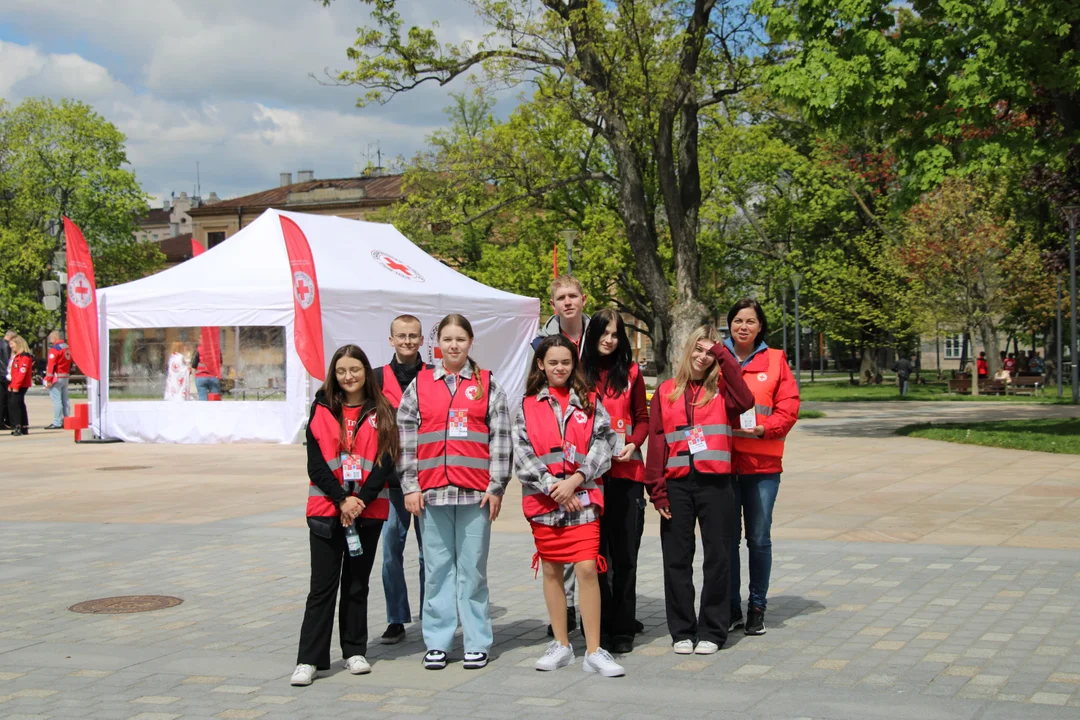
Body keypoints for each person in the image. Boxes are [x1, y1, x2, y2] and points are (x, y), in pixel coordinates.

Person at [397, 314, 511, 671]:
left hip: (475, 494)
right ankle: (439, 640)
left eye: (460, 339)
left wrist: (497, 487)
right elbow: (405, 439)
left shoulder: (488, 385)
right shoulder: (419, 385)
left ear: (471, 342)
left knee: (473, 569)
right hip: (432, 495)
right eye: (447, 339)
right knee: (438, 569)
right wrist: (410, 486)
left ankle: (477, 640)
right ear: (437, 344)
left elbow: (501, 438)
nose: (454, 345)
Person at [513, 334, 625, 676]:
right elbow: (522, 452)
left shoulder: (590, 401)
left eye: (565, 361)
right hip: (544, 503)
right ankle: (561, 644)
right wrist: (553, 487)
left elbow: (605, 442)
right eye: (552, 362)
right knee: (551, 570)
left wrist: (576, 480)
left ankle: (594, 650)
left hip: (585, 499)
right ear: (541, 365)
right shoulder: (526, 404)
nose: (559, 368)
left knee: (587, 568)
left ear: (573, 363)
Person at [291, 344, 396, 686]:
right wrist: (341, 499)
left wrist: (359, 501)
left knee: (356, 584)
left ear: (366, 371)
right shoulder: (321, 407)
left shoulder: (383, 409)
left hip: (367, 511)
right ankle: (310, 660)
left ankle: (354, 650)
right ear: (334, 375)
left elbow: (385, 463)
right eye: (341, 371)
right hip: (326, 509)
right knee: (321, 587)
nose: (348, 376)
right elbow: (316, 464)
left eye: (354, 369)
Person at [646, 325, 753, 655]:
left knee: (718, 558)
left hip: (716, 484)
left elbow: (747, 400)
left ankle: (712, 630)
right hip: (677, 486)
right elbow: (657, 442)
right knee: (677, 560)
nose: (702, 357)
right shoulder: (665, 392)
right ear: (687, 350)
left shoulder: (723, 391)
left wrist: (724, 353)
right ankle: (682, 630)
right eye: (698, 349)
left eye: (710, 352)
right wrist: (657, 490)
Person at [724, 299, 800, 636]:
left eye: (750, 321)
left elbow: (789, 408)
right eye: (737, 320)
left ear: (760, 327)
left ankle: (757, 606)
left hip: (761, 464)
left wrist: (764, 429)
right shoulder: (716, 357)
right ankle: (729, 606)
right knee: (725, 540)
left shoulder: (775, 360)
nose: (743, 327)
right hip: (722, 464)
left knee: (758, 538)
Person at [580, 308, 649, 654]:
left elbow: (642, 418)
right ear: (592, 336)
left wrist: (635, 442)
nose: (609, 340)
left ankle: (623, 627)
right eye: (604, 333)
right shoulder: (579, 374)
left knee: (624, 557)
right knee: (593, 556)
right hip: (590, 480)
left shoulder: (632, 372)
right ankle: (597, 625)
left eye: (615, 334)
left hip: (626, 475)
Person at [533, 274, 590, 633]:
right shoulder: (541, 340)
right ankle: (565, 609)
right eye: (561, 297)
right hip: (554, 439)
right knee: (558, 530)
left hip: (587, 431)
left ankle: (596, 609)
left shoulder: (598, 332)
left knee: (588, 532)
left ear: (583, 299)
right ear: (552, 304)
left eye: (573, 296)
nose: (567, 302)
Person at [374, 314, 430, 645]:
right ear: (391, 339)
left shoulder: (433, 376)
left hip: (427, 479)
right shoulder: (377, 378)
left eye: (413, 336)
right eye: (401, 336)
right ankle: (396, 617)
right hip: (389, 481)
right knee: (391, 551)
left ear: (422, 340)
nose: (407, 341)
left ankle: (430, 614)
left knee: (429, 555)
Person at [42, 331, 72, 429]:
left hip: (56, 376)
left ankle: (57, 422)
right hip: (65, 375)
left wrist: (48, 379)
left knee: (56, 400)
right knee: (65, 399)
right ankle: (67, 419)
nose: (50, 340)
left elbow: (51, 365)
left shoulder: (55, 349)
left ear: (54, 338)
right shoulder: (67, 347)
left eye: (51, 338)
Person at [6, 335, 33, 436]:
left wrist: (16, 386)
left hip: (21, 384)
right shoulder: (18, 356)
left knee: (14, 405)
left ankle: (17, 425)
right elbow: (14, 373)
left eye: (12, 344)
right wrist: (12, 384)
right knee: (20, 404)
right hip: (16, 383)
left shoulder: (24, 357)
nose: (11, 346)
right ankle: (24, 426)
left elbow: (22, 372)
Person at [190, 332, 222, 401]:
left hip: (200, 377)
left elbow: (193, 365)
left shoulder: (198, 349)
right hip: (213, 377)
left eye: (200, 338)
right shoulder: (216, 349)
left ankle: (204, 410)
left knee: (203, 400)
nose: (199, 340)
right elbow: (220, 363)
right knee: (215, 399)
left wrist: (193, 377)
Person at [0, 330, 13, 430]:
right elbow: (7, 360)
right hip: (4, 375)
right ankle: (3, 422)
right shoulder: (6, 346)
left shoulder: (1, 343)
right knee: (4, 400)